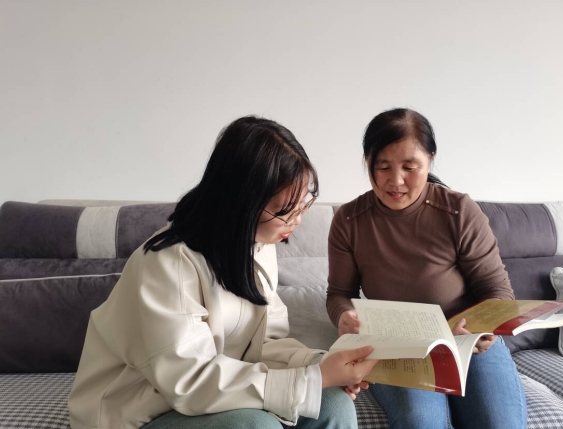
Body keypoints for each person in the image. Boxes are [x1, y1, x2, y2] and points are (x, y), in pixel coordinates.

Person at [68, 116, 378, 429]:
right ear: (243, 201)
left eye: (302, 206)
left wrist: (319, 365)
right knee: (256, 426)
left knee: (333, 403)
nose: (297, 220)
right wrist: (313, 379)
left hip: (213, 397)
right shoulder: (168, 263)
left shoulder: (257, 245)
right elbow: (189, 380)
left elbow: (263, 345)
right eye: (286, 211)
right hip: (141, 412)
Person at [326, 108, 527, 429]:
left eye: (410, 167)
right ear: (368, 163)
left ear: (430, 160)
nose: (396, 181)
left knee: (498, 423)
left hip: (465, 341)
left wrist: (483, 328)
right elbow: (339, 293)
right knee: (421, 422)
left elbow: (497, 292)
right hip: (397, 347)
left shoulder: (458, 211)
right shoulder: (349, 220)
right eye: (383, 167)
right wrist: (344, 316)